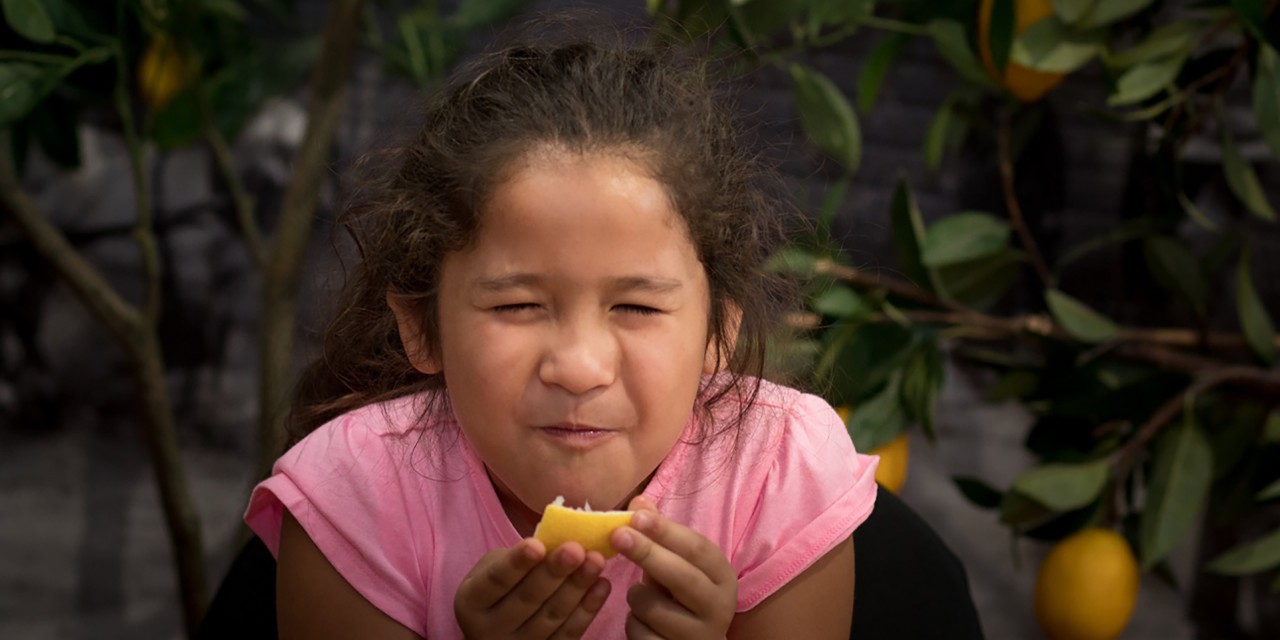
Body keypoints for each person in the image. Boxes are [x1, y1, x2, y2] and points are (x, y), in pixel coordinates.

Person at [244, 19, 879, 640]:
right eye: (518, 306)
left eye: (637, 308)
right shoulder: (355, 499)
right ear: (422, 327)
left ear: (721, 329)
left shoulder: (778, 473)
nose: (578, 367)